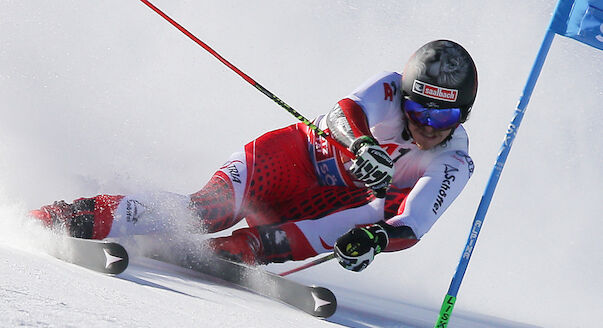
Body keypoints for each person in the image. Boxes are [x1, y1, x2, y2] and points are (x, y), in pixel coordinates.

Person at [30, 39, 477, 272]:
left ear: (466, 114)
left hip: (327, 207)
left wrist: (375, 241)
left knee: (254, 248)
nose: (427, 125)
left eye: (446, 115)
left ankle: (229, 253)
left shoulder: (454, 161)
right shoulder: (387, 86)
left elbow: (412, 224)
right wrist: (362, 144)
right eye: (419, 108)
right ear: (405, 95)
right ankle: (61, 216)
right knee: (204, 212)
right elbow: (345, 112)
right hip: (287, 162)